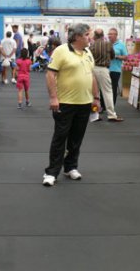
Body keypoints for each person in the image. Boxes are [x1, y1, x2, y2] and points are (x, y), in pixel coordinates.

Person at [43, 23, 100, 187]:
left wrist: (96, 97)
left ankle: (70, 167)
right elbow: (50, 74)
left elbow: (92, 76)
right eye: (88, 35)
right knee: (60, 137)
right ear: (78, 37)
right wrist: (53, 98)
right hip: (65, 103)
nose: (90, 38)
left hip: (84, 102)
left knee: (76, 138)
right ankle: (51, 172)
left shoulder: (88, 52)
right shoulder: (61, 51)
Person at [90, 29, 123, 122]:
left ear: (95, 36)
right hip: (103, 69)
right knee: (108, 92)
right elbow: (112, 56)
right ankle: (111, 114)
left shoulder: (91, 45)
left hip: (92, 69)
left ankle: (94, 114)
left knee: (94, 94)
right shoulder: (108, 45)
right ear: (103, 35)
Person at [107, 28, 128, 105]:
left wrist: (116, 56)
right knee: (104, 89)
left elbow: (126, 57)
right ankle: (104, 106)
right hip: (105, 69)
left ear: (116, 35)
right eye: (109, 34)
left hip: (115, 70)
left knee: (113, 88)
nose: (109, 36)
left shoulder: (121, 45)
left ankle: (112, 105)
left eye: (111, 34)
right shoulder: (106, 43)